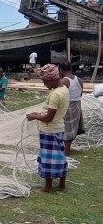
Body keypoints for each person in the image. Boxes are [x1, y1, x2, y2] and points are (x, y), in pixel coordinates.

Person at [26, 64, 69, 193]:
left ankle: (48, 188)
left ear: (52, 79)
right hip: (59, 127)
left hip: (50, 130)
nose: (44, 85)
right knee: (60, 156)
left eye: (45, 82)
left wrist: (35, 117)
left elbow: (49, 118)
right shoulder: (64, 89)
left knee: (48, 158)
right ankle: (62, 183)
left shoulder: (55, 94)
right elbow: (54, 114)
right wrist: (39, 114)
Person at [60, 61, 85, 156]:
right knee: (72, 128)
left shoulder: (64, 81)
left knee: (67, 129)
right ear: (71, 69)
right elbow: (80, 94)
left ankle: (66, 153)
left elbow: (59, 95)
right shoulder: (79, 80)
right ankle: (65, 150)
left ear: (61, 70)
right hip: (77, 105)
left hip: (68, 106)